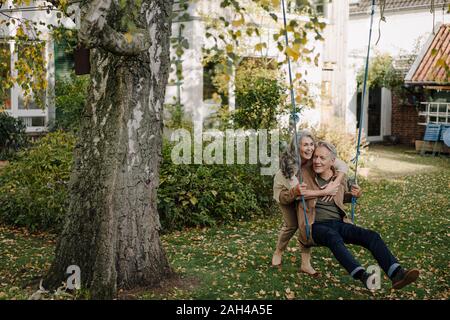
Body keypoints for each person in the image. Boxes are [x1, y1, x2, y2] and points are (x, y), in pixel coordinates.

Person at [294, 140, 419, 289]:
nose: (316, 161)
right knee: (332, 236)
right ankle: (362, 276)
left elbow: (342, 197)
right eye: (315, 157)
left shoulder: (339, 178)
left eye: (322, 158)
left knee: (371, 236)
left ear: (332, 161)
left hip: (339, 223)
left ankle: (397, 274)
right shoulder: (304, 174)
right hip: (314, 225)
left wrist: (354, 195)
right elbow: (293, 194)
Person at [272, 130, 349, 276]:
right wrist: (325, 192)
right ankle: (279, 251)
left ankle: (305, 265)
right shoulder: (288, 166)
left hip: (304, 191)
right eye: (305, 145)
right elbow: (301, 193)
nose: (310, 148)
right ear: (297, 147)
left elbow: (342, 166)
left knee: (306, 222)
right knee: (292, 225)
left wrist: (335, 183)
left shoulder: (315, 156)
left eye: (311, 144)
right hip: (286, 193)